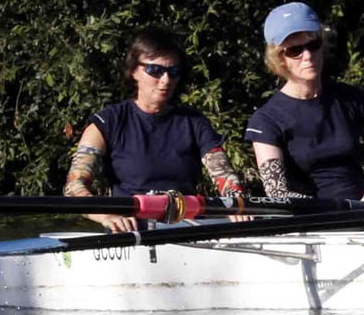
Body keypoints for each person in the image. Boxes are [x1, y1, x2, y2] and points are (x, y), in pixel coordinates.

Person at [64, 27, 245, 232]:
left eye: (173, 72)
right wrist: (106, 215)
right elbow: (74, 187)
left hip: (188, 227)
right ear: (134, 71)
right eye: (155, 71)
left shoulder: (194, 122)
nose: (166, 80)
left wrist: (236, 203)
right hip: (130, 230)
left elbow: (225, 176)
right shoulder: (107, 122)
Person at [245, 2, 364, 208]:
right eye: (295, 50)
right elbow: (278, 194)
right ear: (280, 59)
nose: (308, 56)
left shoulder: (353, 99)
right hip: (310, 225)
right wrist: (351, 204)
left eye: (313, 45)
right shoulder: (266, 120)